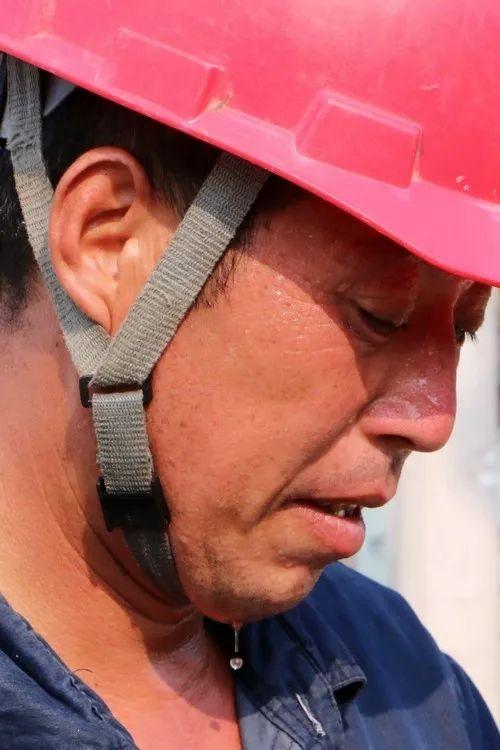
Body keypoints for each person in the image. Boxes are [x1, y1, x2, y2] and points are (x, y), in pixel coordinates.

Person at [0, 1, 499, 748]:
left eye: (463, 329)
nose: (435, 420)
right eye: (380, 316)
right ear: (110, 243)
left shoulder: (412, 690)